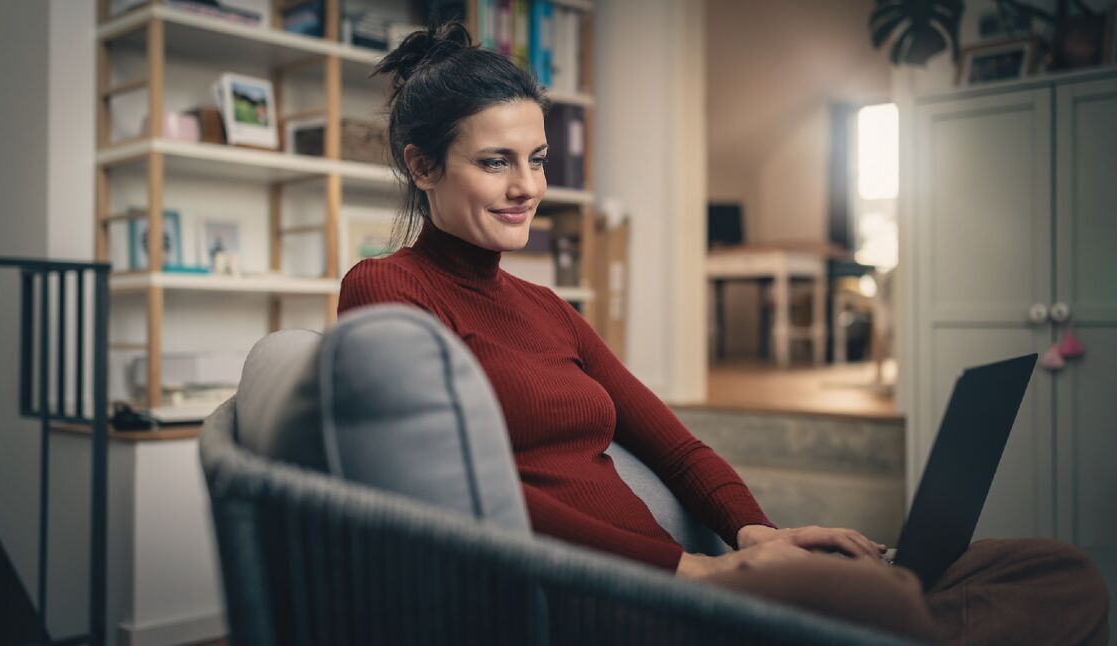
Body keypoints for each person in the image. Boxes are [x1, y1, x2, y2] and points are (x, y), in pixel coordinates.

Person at [336, 22, 1109, 645]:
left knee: (1051, 569)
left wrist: (757, 536)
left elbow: (676, 448)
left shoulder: (547, 308)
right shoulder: (385, 290)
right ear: (423, 166)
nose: (527, 187)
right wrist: (692, 572)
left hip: (687, 583)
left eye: (536, 160)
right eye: (495, 162)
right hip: (606, 597)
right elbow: (466, 501)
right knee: (885, 600)